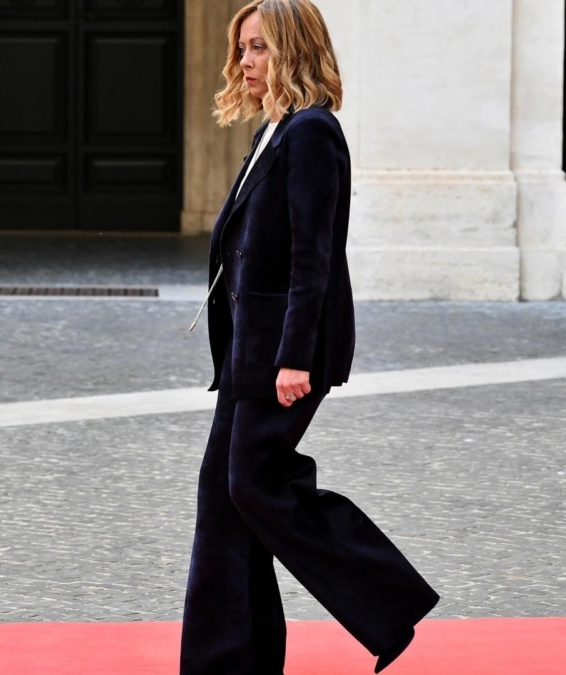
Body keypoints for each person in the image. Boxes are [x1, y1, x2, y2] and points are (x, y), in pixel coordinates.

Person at [179, 1, 439, 673]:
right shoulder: (277, 129)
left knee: (254, 483)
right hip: (248, 346)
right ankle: (232, 659)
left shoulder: (313, 133)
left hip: (280, 352)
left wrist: (294, 355)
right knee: (225, 498)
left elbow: (312, 255)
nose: (245, 61)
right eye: (242, 49)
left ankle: (388, 596)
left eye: (259, 48)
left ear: (295, 50)